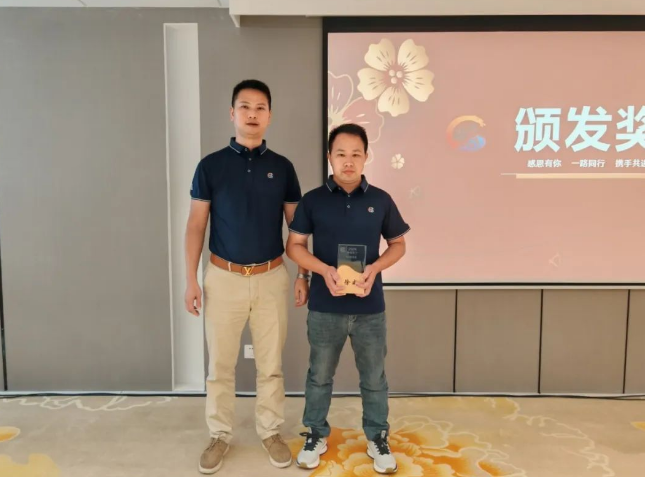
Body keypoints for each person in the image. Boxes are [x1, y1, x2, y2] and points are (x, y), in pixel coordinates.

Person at [185, 79, 309, 474]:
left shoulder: (283, 168)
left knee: (270, 365)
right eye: (245, 107)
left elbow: (297, 229)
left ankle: (270, 431)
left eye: (260, 108)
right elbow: (195, 226)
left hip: (272, 276)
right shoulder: (211, 166)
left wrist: (303, 274)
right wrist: (191, 280)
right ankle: (219, 435)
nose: (252, 114)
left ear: (269, 115)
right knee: (220, 366)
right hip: (222, 278)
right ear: (232, 113)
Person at [286, 123, 410, 474]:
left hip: (370, 308)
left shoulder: (380, 200)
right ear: (330, 157)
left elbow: (398, 244)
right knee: (319, 376)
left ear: (367, 156)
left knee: (374, 378)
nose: (349, 161)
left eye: (356, 154)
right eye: (341, 154)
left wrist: (375, 268)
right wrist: (322, 270)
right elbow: (294, 246)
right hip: (325, 306)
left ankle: (377, 437)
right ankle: (315, 433)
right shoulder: (313, 200)